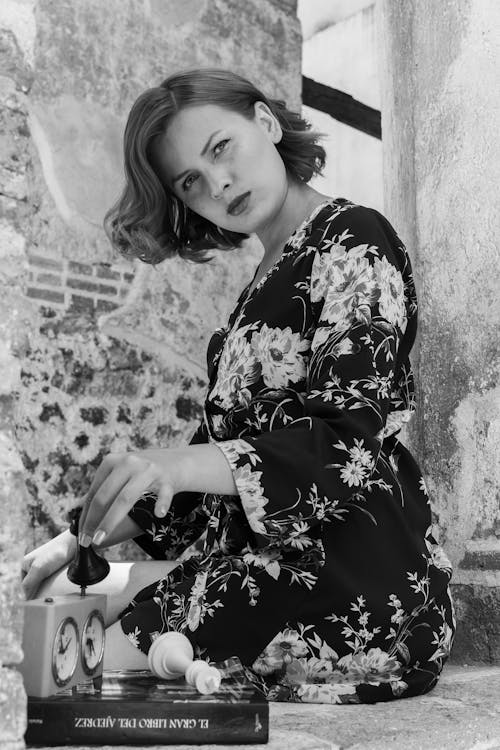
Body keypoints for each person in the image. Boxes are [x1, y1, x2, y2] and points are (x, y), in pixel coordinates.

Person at [21, 67, 456, 704]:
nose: (217, 183)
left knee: (66, 659)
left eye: (220, 147)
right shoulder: (257, 293)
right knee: (59, 600)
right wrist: (76, 539)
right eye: (189, 180)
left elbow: (351, 440)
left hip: (352, 577)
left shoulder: (355, 241)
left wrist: (171, 464)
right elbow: (211, 461)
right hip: (261, 564)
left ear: (267, 123)